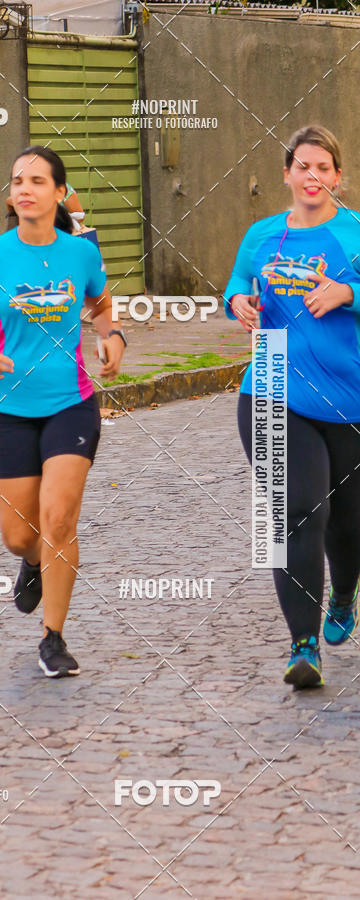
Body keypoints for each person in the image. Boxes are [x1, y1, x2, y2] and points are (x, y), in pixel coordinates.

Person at [0, 145, 127, 678]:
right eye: (17, 181)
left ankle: (53, 637)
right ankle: (32, 562)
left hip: (71, 405)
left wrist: (113, 336)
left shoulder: (80, 255)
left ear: (59, 193)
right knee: (20, 536)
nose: (25, 189)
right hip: (7, 410)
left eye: (37, 181)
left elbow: (101, 305)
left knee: (59, 519)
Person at [225, 124, 360, 689]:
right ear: (286, 174)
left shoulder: (353, 233)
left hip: (349, 398)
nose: (312, 176)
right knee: (296, 513)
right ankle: (303, 645)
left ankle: (344, 591)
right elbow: (237, 283)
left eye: (323, 168)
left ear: (337, 178)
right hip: (272, 384)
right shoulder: (262, 235)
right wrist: (238, 301)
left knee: (347, 525)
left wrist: (348, 292)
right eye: (302, 166)